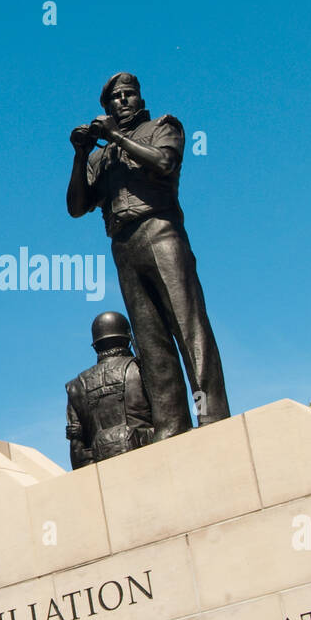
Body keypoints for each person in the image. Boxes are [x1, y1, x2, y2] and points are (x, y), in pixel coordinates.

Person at [66, 72, 229, 439]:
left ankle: (212, 414)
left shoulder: (161, 127)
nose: (122, 101)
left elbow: (164, 163)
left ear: (139, 98)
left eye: (129, 94)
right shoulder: (101, 157)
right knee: (150, 339)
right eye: (115, 98)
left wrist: (116, 137)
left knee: (188, 327)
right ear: (106, 106)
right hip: (123, 245)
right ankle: (171, 422)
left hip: (160, 231)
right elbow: (76, 207)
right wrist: (80, 155)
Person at [65, 311, 154, 468]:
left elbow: (77, 446)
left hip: (102, 470)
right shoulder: (142, 368)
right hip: (149, 458)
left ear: (95, 346)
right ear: (128, 339)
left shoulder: (75, 387)